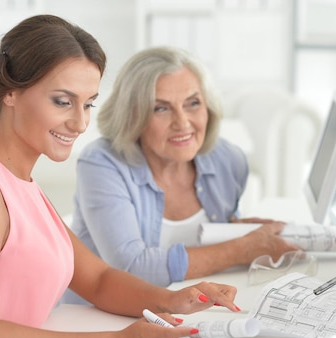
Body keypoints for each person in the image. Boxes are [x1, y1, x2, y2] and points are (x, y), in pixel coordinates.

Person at [0, 15, 240, 338]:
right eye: (63, 101)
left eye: (88, 103)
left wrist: (174, 300)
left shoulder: (18, 183)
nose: (79, 122)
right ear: (10, 93)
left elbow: (98, 280)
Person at [68, 46, 297, 293]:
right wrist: (241, 249)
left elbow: (210, 243)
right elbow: (130, 267)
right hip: (98, 317)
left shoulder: (228, 160)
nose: (183, 123)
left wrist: (240, 232)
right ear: (132, 115)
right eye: (161, 108)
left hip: (187, 307)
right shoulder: (102, 163)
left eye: (193, 103)